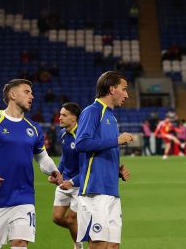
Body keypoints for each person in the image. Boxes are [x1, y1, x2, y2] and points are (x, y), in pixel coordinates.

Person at [0, 79, 64, 249]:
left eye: (32, 92)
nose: (32, 96)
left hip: (24, 197)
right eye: (27, 92)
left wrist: (53, 170)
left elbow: (42, 157)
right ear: (12, 94)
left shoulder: (34, 127)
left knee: (20, 243)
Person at [75, 71, 134, 249]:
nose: (126, 94)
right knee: (98, 244)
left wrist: (116, 170)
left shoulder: (111, 116)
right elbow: (82, 143)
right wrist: (116, 140)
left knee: (113, 246)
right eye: (123, 89)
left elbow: (100, 149)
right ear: (111, 89)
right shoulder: (92, 112)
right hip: (94, 190)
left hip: (111, 190)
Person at [52, 102, 83, 249]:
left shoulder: (82, 137)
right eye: (60, 114)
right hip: (64, 183)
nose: (60, 118)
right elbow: (64, 157)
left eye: (64, 115)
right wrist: (57, 173)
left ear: (74, 118)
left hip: (79, 185)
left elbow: (88, 167)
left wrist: (72, 181)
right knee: (57, 218)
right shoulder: (63, 133)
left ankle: (79, 245)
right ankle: (86, 234)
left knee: (71, 220)